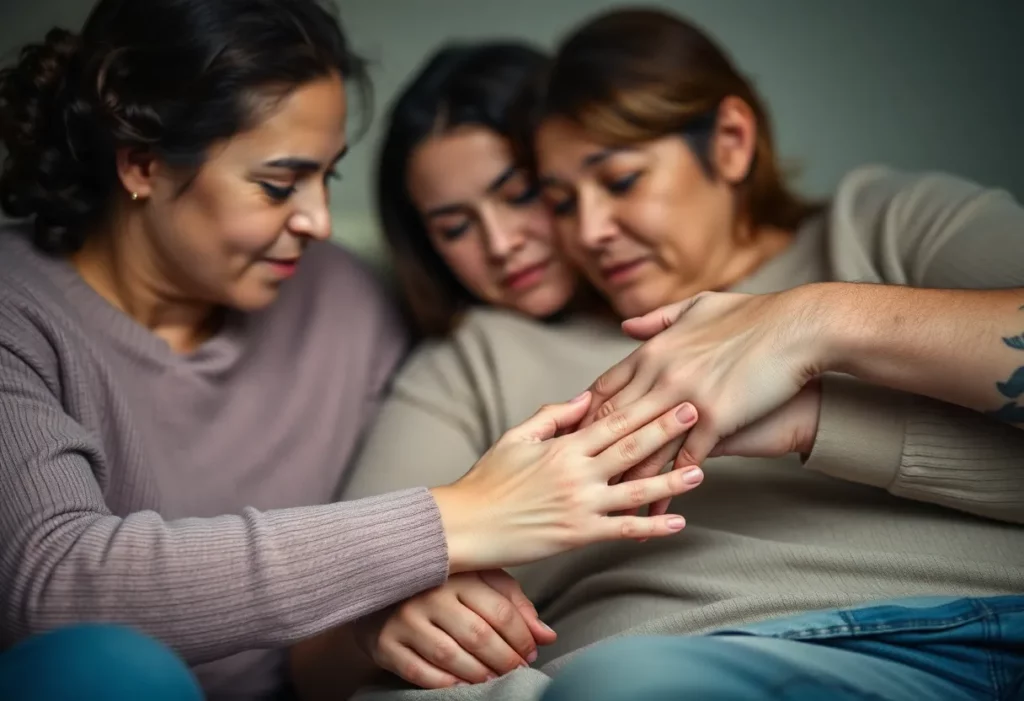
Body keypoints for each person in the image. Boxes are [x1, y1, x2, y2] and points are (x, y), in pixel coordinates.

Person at [0, 1, 706, 699]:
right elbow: (55, 583)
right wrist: (461, 514)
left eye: (326, 177)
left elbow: (368, 592)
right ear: (142, 164)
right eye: (278, 185)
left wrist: (386, 600)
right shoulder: (18, 308)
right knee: (102, 668)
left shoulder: (348, 298)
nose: (318, 221)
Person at [340, 7, 1024, 701]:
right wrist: (391, 616)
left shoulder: (882, 224)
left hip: (983, 623)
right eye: (562, 199)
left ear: (730, 141)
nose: (591, 230)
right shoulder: (479, 354)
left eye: (620, 181)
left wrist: (817, 320)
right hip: (682, 669)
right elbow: (340, 604)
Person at [293, 41, 675, 699]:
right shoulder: (465, 358)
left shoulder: (725, 284)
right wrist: (375, 625)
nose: (501, 244)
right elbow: (319, 638)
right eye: (454, 226)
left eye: (520, 194)